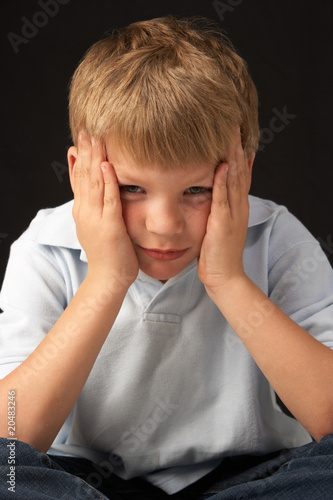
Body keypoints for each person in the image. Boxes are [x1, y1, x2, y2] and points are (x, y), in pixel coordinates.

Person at [0, 15, 332, 500]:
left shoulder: (276, 238)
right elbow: (13, 432)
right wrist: (107, 279)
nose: (164, 224)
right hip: (81, 482)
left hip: (247, 478)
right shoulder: (44, 247)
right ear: (81, 173)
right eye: (132, 188)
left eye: (196, 189)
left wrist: (227, 278)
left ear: (243, 171)